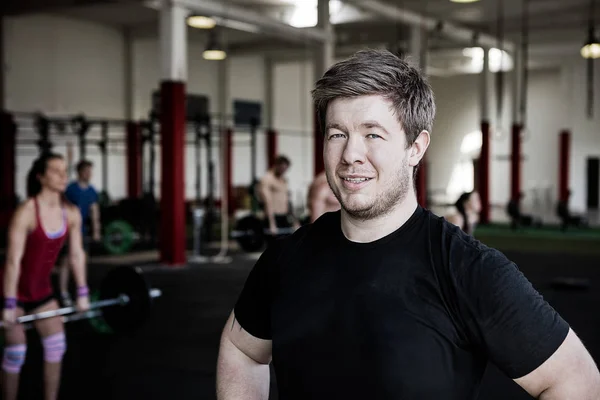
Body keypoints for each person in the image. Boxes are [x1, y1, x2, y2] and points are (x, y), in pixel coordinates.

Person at [215, 49, 600, 399]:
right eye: (337, 134)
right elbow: (242, 349)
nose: (351, 154)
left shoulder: (469, 270)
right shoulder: (285, 259)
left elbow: (574, 380)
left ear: (416, 147)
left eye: (372, 134)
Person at [1, 152, 91, 400]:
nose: (63, 176)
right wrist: (9, 304)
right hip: (12, 291)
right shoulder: (27, 212)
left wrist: (82, 291)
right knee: (16, 352)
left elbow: (76, 255)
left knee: (56, 346)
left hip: (41, 291)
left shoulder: (71, 213)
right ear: (41, 177)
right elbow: (12, 261)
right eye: (55, 171)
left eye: (65, 170)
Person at [58, 159, 101, 306]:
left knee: (81, 261)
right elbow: (61, 209)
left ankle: (81, 292)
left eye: (91, 171)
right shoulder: (70, 189)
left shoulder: (92, 191)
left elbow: (94, 211)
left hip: (82, 232)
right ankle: (63, 292)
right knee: (66, 262)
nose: (89, 174)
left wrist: (96, 230)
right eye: (86, 171)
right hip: (68, 232)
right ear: (80, 172)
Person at [257, 155, 300, 236]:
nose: (283, 171)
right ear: (276, 165)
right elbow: (267, 201)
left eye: (285, 169)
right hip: (272, 217)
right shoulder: (267, 179)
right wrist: (272, 224)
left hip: (283, 217)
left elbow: (288, 202)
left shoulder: (283, 180)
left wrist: (295, 221)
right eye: (281, 169)